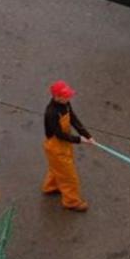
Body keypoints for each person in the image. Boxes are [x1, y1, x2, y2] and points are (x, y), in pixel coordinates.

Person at [42, 80, 93, 212]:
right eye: (66, 96)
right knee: (69, 177)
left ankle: (51, 187)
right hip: (56, 146)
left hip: (63, 145)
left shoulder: (65, 104)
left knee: (58, 169)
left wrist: (87, 135)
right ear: (57, 97)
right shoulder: (51, 113)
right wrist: (78, 139)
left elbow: (73, 119)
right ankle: (71, 202)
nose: (69, 98)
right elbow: (59, 134)